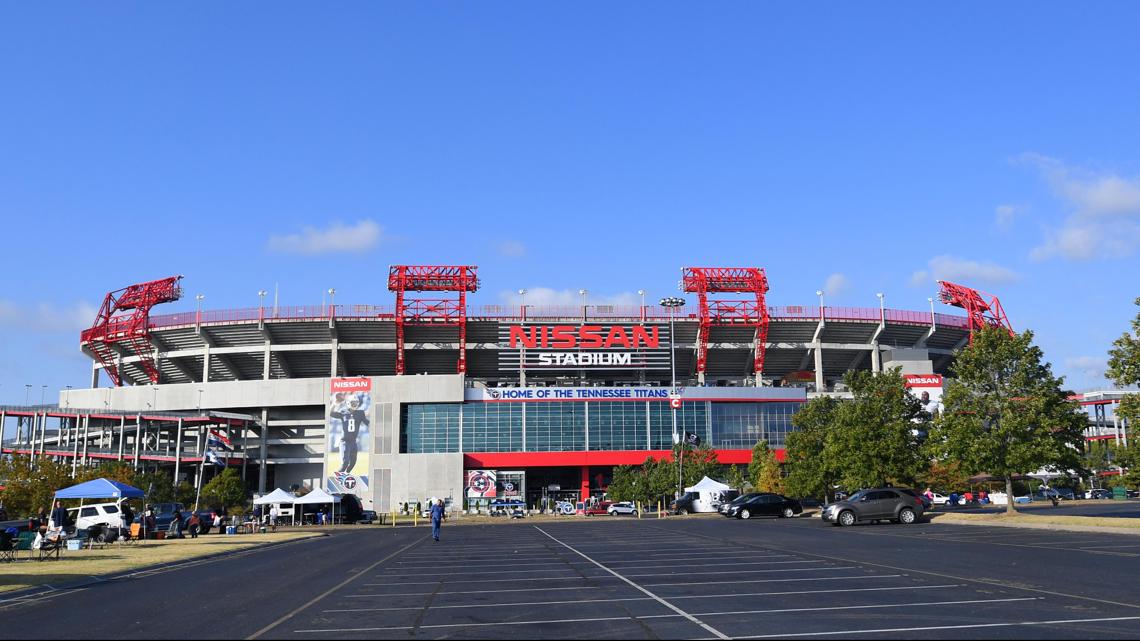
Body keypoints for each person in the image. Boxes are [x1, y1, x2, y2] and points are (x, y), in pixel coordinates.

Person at [330, 395, 369, 474]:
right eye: (353, 403)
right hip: (344, 441)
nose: (355, 404)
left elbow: (367, 423)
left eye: (356, 403)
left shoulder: (360, 413)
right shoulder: (343, 412)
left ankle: (346, 475)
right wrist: (334, 404)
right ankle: (337, 477)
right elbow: (330, 413)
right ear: (348, 403)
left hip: (353, 442)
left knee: (352, 463)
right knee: (345, 462)